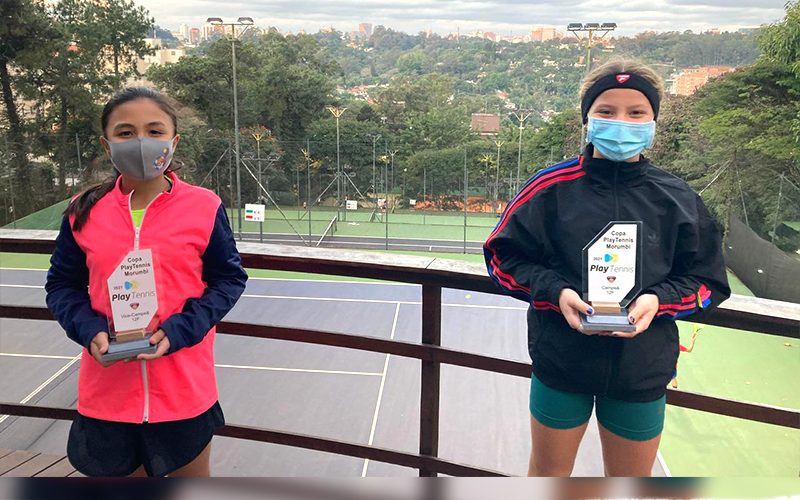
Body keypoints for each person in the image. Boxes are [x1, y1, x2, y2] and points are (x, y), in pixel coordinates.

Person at [483, 59, 730, 477]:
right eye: (606, 111)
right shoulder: (548, 188)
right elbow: (501, 257)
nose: (621, 122)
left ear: (653, 121)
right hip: (561, 363)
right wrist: (556, 293)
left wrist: (659, 301)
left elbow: (708, 283)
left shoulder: (678, 199)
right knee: (547, 477)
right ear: (587, 119)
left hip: (641, 371)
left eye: (636, 113)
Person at [45, 87, 248, 477]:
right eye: (126, 133)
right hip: (108, 392)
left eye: (154, 131)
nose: (141, 142)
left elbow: (228, 279)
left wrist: (179, 330)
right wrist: (89, 331)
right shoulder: (82, 211)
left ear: (174, 141)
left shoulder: (204, 206)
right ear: (106, 145)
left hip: (184, 389)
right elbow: (62, 286)